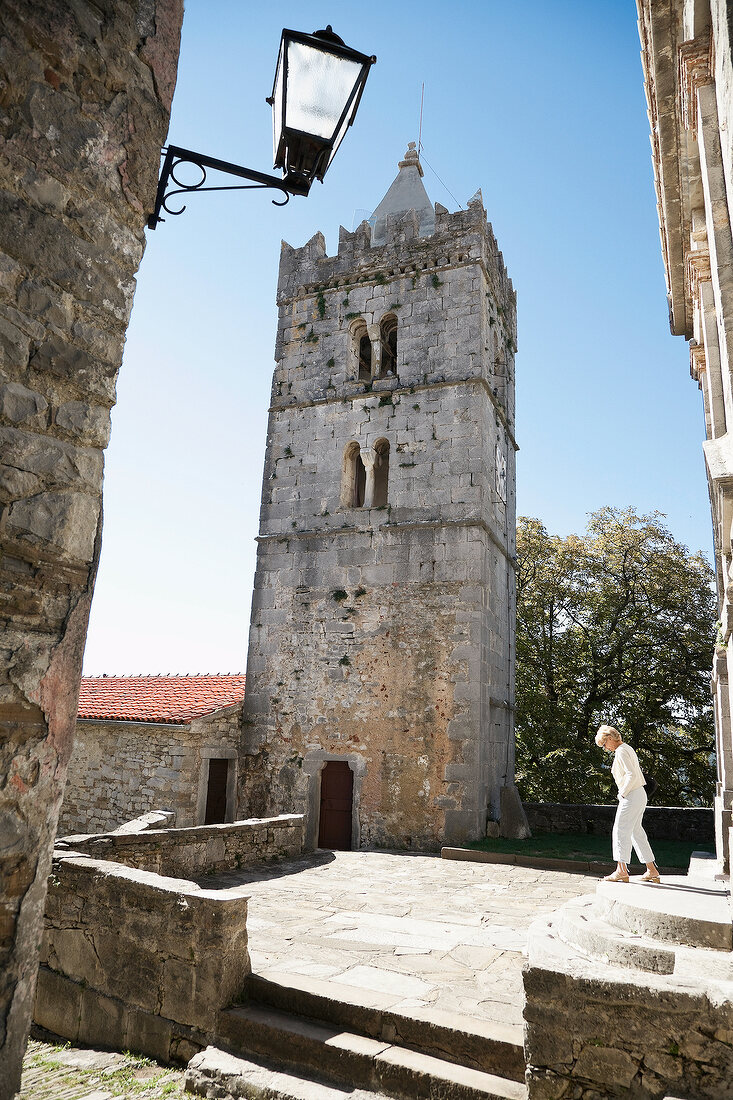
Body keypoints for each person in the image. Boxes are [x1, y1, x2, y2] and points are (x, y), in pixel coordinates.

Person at [595, 724, 660, 884]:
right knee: (636, 832)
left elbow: (630, 774)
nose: (605, 748)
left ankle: (621, 870)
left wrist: (622, 793)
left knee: (620, 830)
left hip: (631, 794)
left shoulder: (621, 751)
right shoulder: (627, 748)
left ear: (610, 738)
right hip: (639, 794)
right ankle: (652, 870)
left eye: (604, 744)